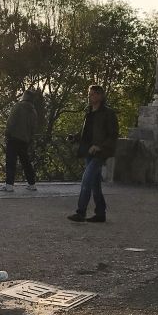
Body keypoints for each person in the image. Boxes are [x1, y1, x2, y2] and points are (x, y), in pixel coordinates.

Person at [67, 85, 118, 223]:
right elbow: (87, 133)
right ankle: (100, 213)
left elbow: (113, 135)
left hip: (100, 153)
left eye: (94, 94)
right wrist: (75, 137)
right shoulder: (89, 112)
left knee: (86, 180)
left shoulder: (108, 113)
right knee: (95, 184)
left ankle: (81, 212)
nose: (91, 97)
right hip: (88, 151)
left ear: (101, 96)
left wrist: (99, 146)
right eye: (90, 94)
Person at [0, 88, 39, 192]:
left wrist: (7, 133)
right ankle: (32, 184)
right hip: (25, 140)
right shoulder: (33, 110)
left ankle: (9, 185)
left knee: (11, 161)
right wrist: (30, 138)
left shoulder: (18, 106)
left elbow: (11, 121)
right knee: (26, 161)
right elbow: (34, 128)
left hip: (14, 137)